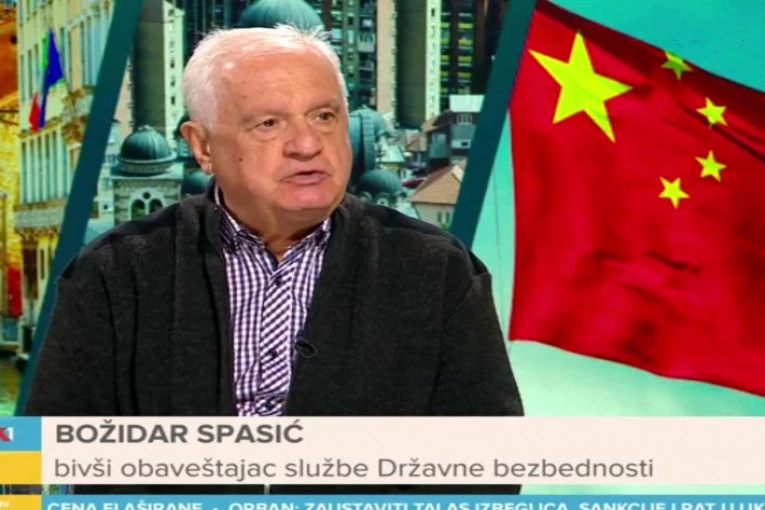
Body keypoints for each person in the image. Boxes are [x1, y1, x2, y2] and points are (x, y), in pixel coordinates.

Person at [23, 25, 524, 494]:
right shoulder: (113, 272)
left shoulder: (436, 269)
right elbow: (34, 461)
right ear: (202, 147)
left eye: (324, 117)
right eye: (268, 124)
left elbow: (489, 464)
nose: (307, 145)